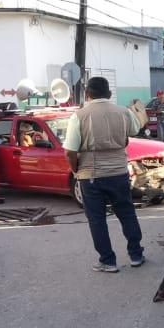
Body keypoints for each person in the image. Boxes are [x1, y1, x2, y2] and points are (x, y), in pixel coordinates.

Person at [65, 76, 146, 272]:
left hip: (90, 174)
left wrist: (76, 170)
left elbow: (70, 151)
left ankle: (107, 261)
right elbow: (135, 129)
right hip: (118, 171)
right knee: (126, 213)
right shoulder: (123, 112)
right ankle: (136, 255)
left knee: (97, 219)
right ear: (109, 94)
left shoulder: (79, 116)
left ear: (87, 94)